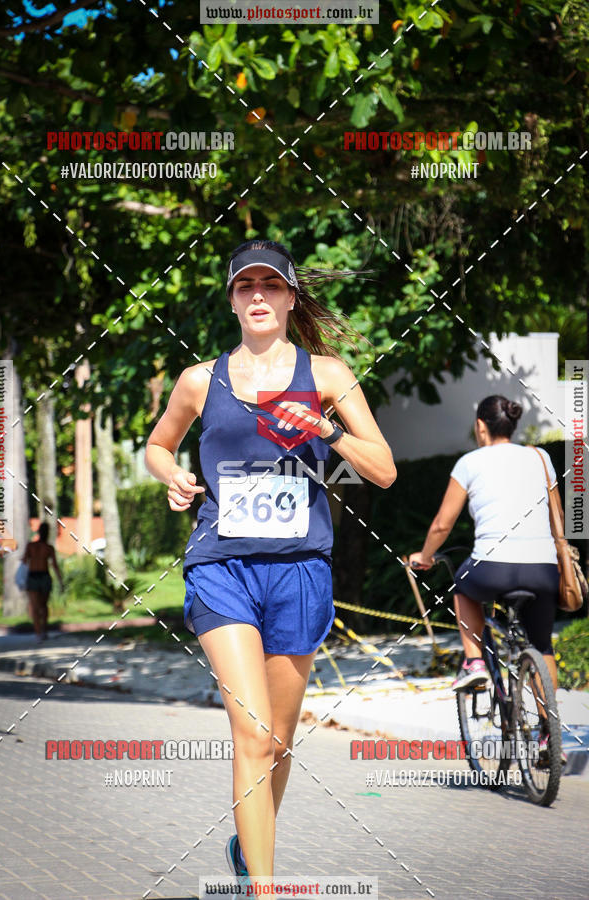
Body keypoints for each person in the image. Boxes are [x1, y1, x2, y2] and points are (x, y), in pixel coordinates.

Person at [145, 239, 396, 884]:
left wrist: (325, 431)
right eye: (245, 286)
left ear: (290, 297)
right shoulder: (200, 380)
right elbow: (157, 445)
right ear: (231, 300)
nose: (259, 295)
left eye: (272, 285)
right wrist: (171, 473)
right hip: (220, 568)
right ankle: (263, 888)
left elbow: (385, 471)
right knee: (253, 734)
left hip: (300, 573)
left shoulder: (330, 376)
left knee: (278, 742)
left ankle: (246, 848)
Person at [409, 395, 560, 696]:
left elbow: (442, 524)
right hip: (544, 568)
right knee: (542, 646)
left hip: (492, 568)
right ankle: (549, 735)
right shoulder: (541, 458)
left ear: (480, 426)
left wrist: (424, 557)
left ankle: (475, 662)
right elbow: (559, 520)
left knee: (462, 585)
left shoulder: (469, 463)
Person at [23, 521, 63, 641]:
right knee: (42, 606)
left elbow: (24, 562)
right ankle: (41, 631)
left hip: (35, 576)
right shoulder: (47, 548)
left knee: (37, 606)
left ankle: (39, 633)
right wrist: (60, 581)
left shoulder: (32, 546)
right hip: (42, 576)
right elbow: (55, 566)